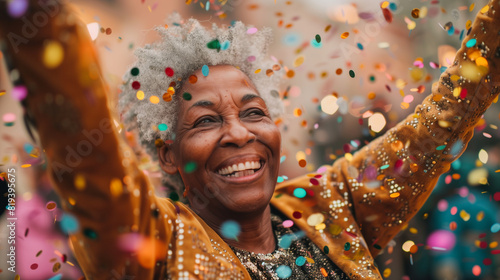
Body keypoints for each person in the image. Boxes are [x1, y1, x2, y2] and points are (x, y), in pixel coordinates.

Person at [0, 0, 499, 279]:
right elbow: (86, 152)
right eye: (205, 121)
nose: (239, 133)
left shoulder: (331, 209)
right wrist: (40, 24)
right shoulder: (153, 242)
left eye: (254, 112)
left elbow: (442, 120)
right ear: (168, 157)